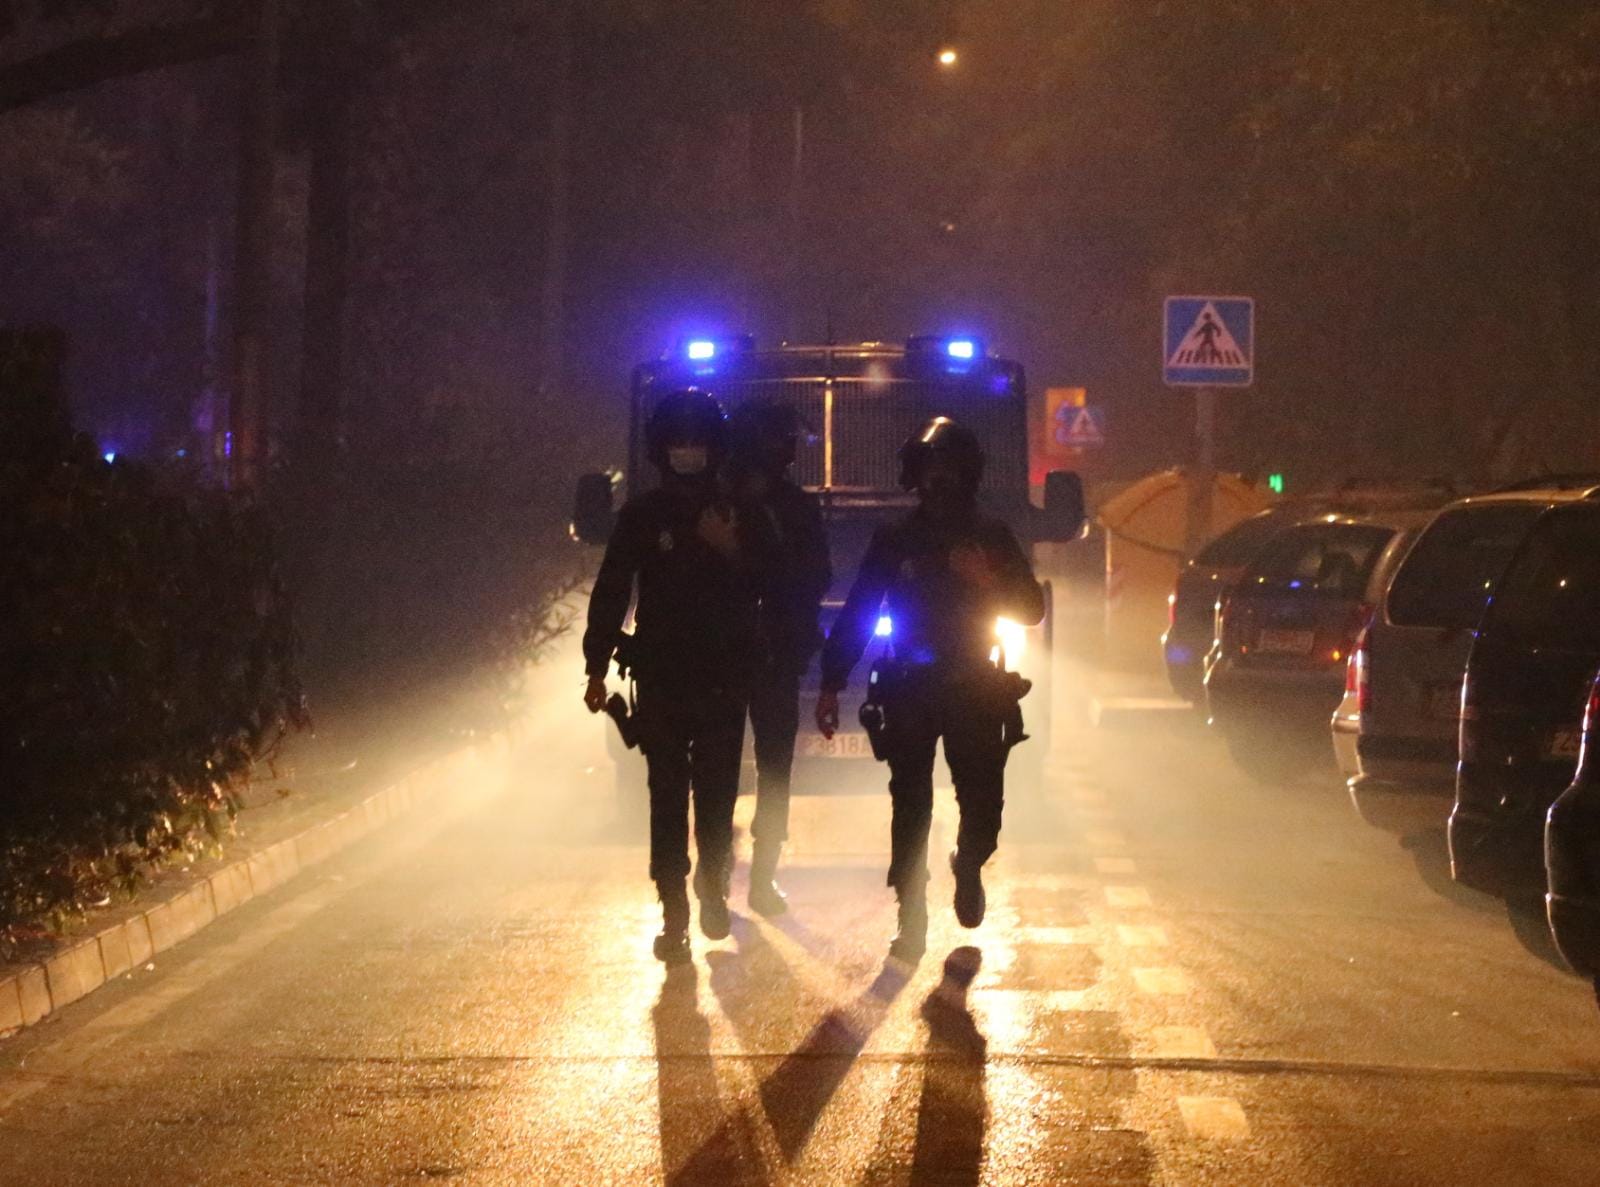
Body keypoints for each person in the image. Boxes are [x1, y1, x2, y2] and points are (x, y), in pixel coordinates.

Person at [814, 417, 1043, 961]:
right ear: (916, 475)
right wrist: (831, 681)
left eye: (950, 470)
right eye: (930, 470)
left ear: (970, 475)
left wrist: (989, 579)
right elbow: (860, 613)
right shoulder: (895, 541)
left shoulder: (992, 538)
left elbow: (1031, 609)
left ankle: (968, 864)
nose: (939, 481)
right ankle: (909, 914)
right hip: (910, 687)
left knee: (983, 803)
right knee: (910, 802)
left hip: (976, 687)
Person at [582, 389, 776, 964]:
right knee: (665, 797)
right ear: (661, 448)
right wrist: (596, 666)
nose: (688, 451)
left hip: (722, 676)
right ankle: (673, 911)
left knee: (717, 795)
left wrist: (732, 550)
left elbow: (775, 583)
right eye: (678, 441)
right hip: (662, 676)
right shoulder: (644, 515)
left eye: (698, 440)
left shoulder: (739, 511)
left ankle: (712, 886)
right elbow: (613, 589)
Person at [723, 399, 832, 917]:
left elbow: (817, 576)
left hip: (770, 654)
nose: (790, 450)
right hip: (728, 652)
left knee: (771, 768)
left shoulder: (791, 507)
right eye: (782, 439)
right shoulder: (723, 503)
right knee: (732, 767)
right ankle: (728, 870)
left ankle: (759, 875)